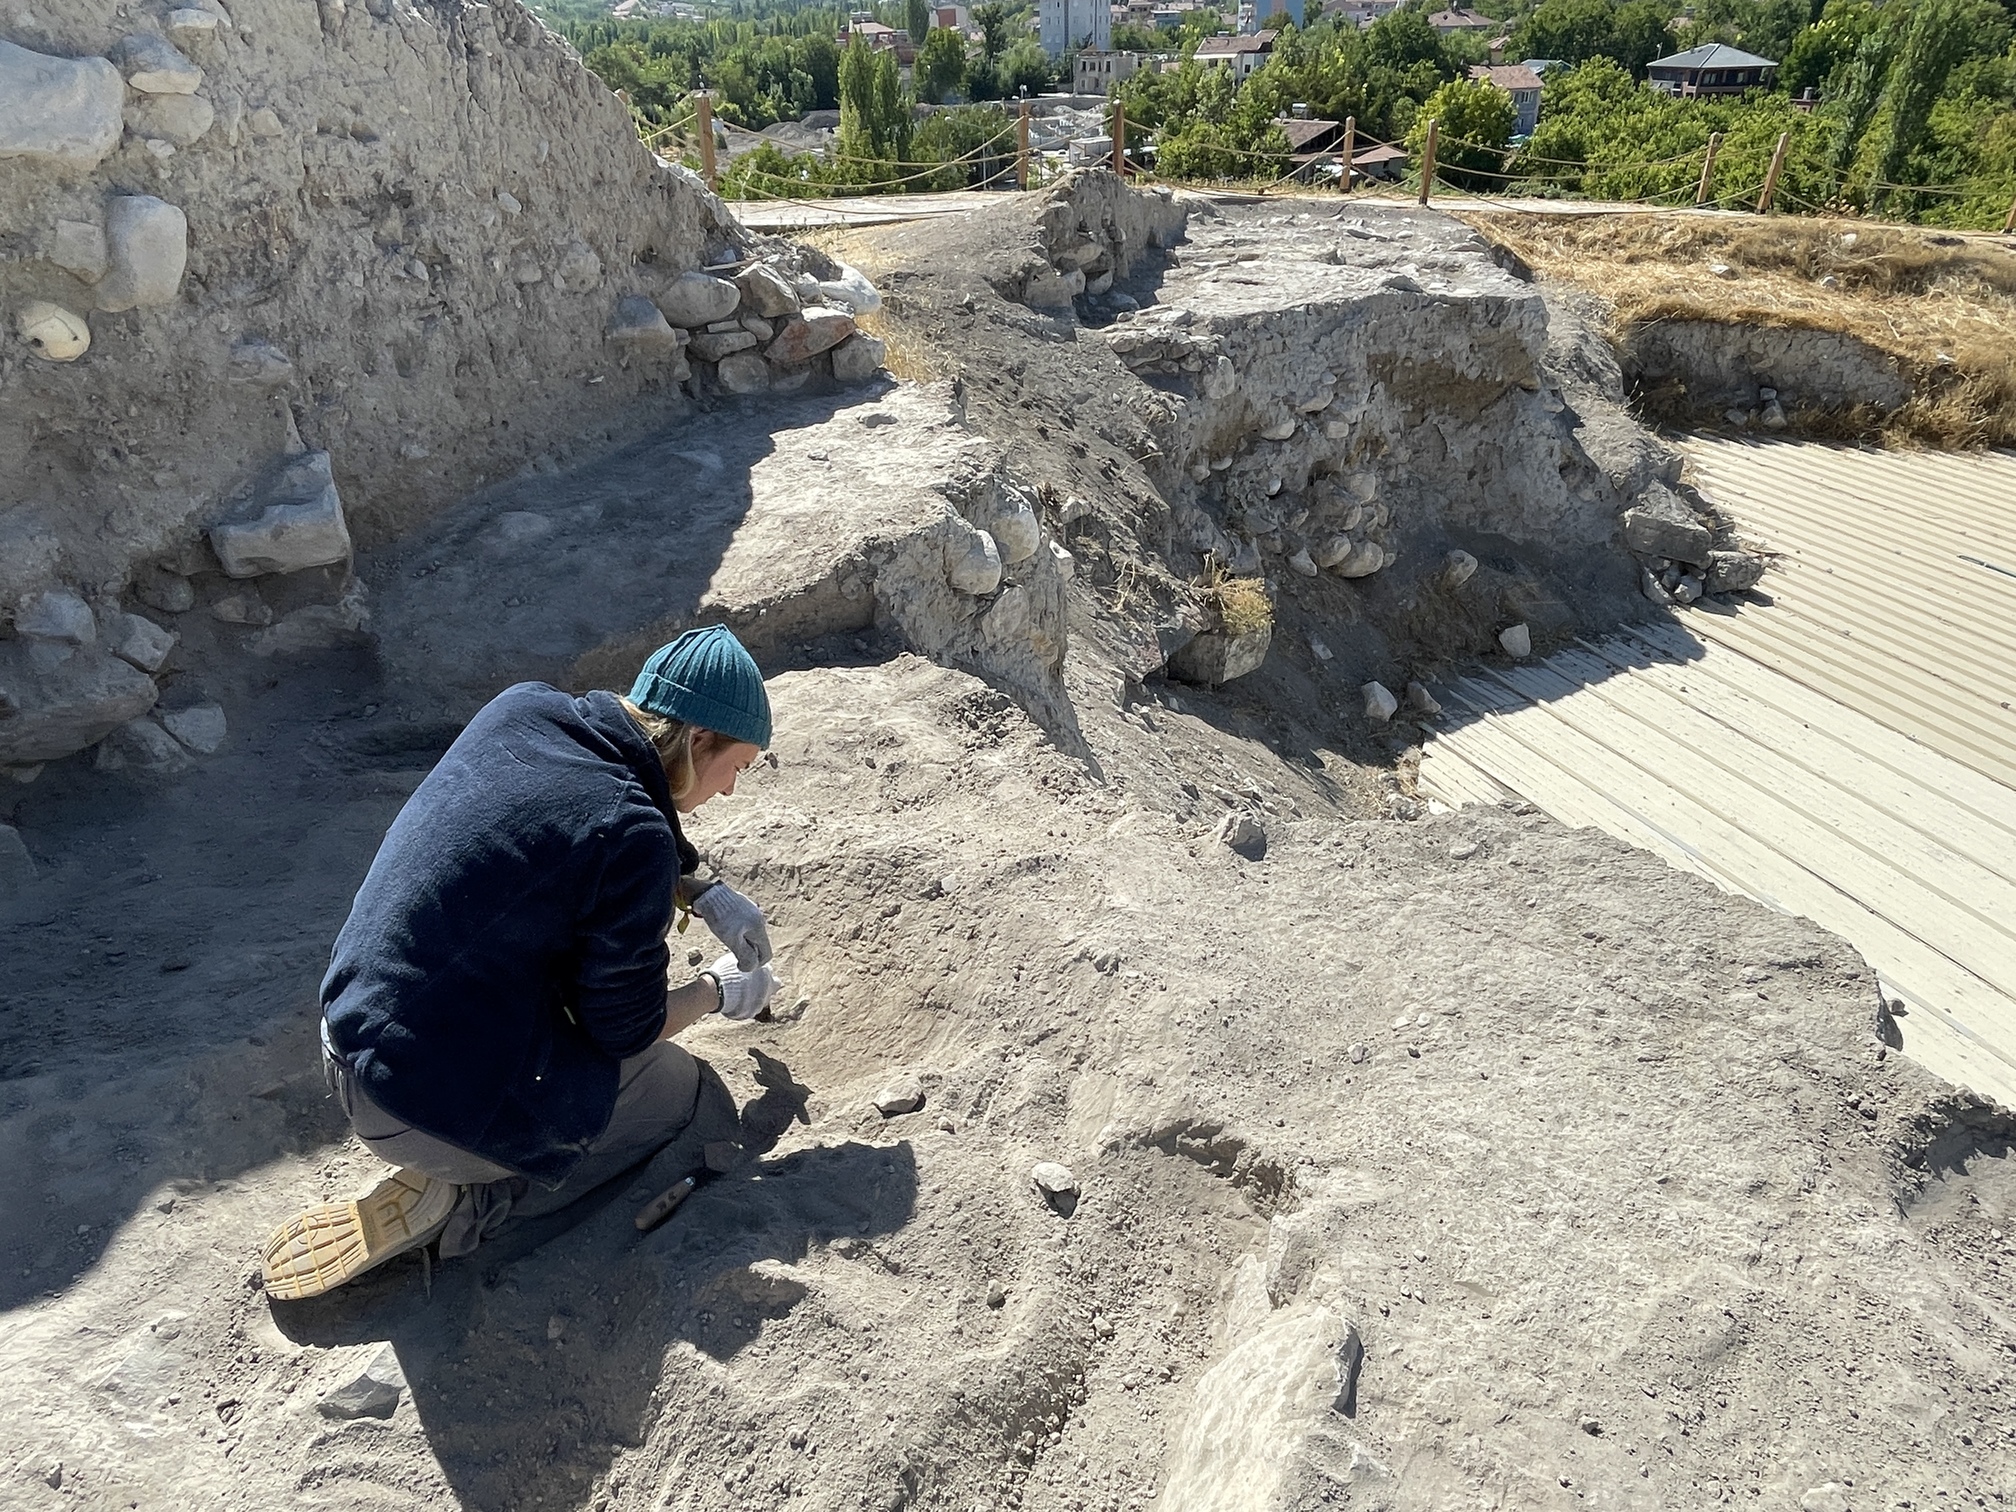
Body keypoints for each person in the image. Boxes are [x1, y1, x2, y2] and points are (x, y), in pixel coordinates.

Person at [261, 624, 779, 1301]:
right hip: (411, 1099)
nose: (733, 790)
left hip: (351, 1030)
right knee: (678, 1091)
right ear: (699, 741)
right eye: (735, 766)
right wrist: (717, 990)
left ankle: (458, 1153)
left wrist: (696, 885)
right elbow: (624, 1030)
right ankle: (471, 1204)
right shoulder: (633, 840)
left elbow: (559, 823)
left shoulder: (526, 709)